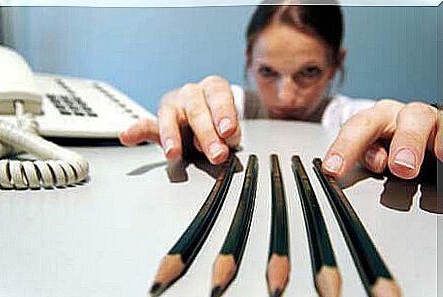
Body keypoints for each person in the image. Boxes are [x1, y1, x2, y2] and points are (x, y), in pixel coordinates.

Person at [119, 2, 441, 180]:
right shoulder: (236, 106)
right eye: (267, 72)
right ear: (248, 59)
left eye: (309, 72)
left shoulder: (347, 116)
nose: (286, 96)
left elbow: (390, 121)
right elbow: (186, 101)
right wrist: (179, 108)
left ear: (336, 63)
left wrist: (425, 126)